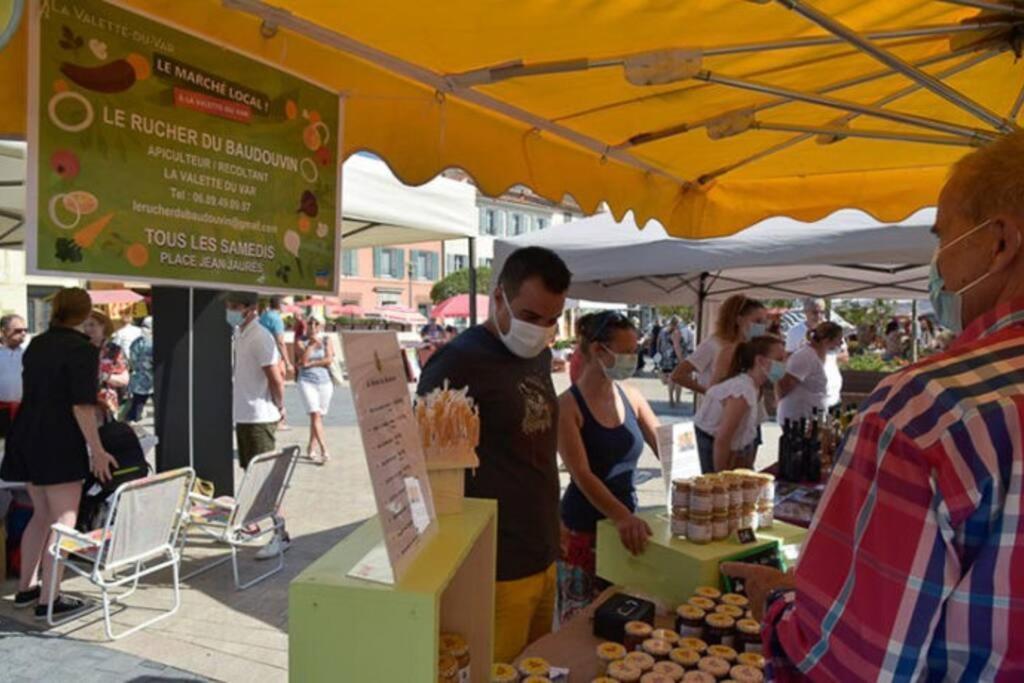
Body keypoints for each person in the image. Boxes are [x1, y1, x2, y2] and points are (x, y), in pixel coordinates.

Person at [724, 131, 1024, 679]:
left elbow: (847, 663)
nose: (937, 264)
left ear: (999, 243)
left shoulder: (928, 410)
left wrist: (779, 607)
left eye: (944, 237)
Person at [417, 246, 570, 663]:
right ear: (498, 297)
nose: (540, 329)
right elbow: (426, 470)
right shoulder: (458, 362)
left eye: (552, 319)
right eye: (530, 316)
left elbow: (534, 447)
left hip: (541, 554)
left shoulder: (537, 354)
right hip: (495, 567)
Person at [1, 288, 118, 619]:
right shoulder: (80, 349)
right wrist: (97, 450)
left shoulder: (37, 343)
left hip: (26, 434)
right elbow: (81, 406)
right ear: (82, 314)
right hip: (58, 440)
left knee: (41, 514)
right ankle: (49, 598)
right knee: (64, 520)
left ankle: (27, 588)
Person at [557, 311, 660, 623]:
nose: (633, 359)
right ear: (599, 351)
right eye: (626, 351)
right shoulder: (566, 406)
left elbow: (665, 446)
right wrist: (622, 517)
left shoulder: (632, 396)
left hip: (626, 527)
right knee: (582, 622)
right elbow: (581, 474)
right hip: (584, 529)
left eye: (635, 351)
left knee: (624, 617)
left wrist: (693, 483)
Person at [227, 291, 289, 558]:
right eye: (229, 305)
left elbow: (275, 377)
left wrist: (280, 405)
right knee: (252, 473)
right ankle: (251, 525)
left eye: (235, 306)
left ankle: (281, 533)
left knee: (266, 479)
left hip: (259, 416)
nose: (230, 310)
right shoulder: (241, 334)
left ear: (251, 308)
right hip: (245, 415)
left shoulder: (261, 337)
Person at [693, 336, 784, 472]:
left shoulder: (753, 386)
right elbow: (723, 439)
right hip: (709, 451)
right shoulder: (742, 389)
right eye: (779, 360)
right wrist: (722, 479)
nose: (784, 364)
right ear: (760, 360)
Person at [673, 295, 768, 397]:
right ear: (739, 320)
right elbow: (678, 375)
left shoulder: (751, 346)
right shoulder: (713, 344)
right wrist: (709, 393)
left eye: (764, 322)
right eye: (757, 321)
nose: (763, 326)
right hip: (721, 410)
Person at [776, 322, 844, 424]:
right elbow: (783, 387)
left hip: (816, 416)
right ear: (827, 340)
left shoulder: (825, 355)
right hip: (798, 419)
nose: (841, 343)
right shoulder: (805, 357)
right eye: (839, 339)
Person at [785, 298, 847, 408]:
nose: (818, 315)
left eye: (822, 312)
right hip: (808, 396)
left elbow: (845, 357)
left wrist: (827, 354)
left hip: (833, 394)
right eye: (814, 312)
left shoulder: (832, 329)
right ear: (805, 312)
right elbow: (788, 359)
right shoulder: (794, 332)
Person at [295, 315, 334, 464]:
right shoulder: (300, 340)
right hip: (306, 382)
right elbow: (303, 360)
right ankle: (324, 449)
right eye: (309, 322)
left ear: (321, 326)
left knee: (318, 417)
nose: (312, 325)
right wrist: (311, 345)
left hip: (324, 382)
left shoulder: (326, 340)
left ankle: (311, 446)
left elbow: (329, 359)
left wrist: (312, 364)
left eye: (316, 323)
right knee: (315, 415)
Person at [83, 310, 129, 417]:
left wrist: (103, 376)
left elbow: (124, 380)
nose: (87, 329)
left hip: (107, 407)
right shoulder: (80, 350)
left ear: (103, 326)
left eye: (92, 324)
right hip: (83, 405)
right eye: (85, 325)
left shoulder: (114, 350)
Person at [259, 296, 293, 429]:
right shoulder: (276, 319)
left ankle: (273, 417)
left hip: (263, 355)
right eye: (285, 304)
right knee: (278, 386)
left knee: (268, 387)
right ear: (279, 305)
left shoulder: (264, 316)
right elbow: (280, 342)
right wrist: (288, 361)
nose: (286, 307)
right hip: (273, 356)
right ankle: (280, 417)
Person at [124, 317, 154, 423]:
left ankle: (133, 423)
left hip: (140, 379)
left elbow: (132, 359)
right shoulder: (152, 341)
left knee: (137, 405)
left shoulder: (137, 342)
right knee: (138, 405)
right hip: (150, 379)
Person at [0, 314, 27, 430]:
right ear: (4, 331)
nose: (23, 333)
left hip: (23, 412)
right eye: (18, 330)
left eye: (25, 330)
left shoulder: (28, 354)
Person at [657, 317, 685, 407]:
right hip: (675, 358)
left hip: (665, 358)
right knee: (678, 379)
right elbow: (677, 347)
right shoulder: (676, 332)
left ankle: (671, 399)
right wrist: (681, 360)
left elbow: (658, 343)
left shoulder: (663, 331)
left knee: (670, 379)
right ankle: (677, 399)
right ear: (677, 323)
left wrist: (660, 355)